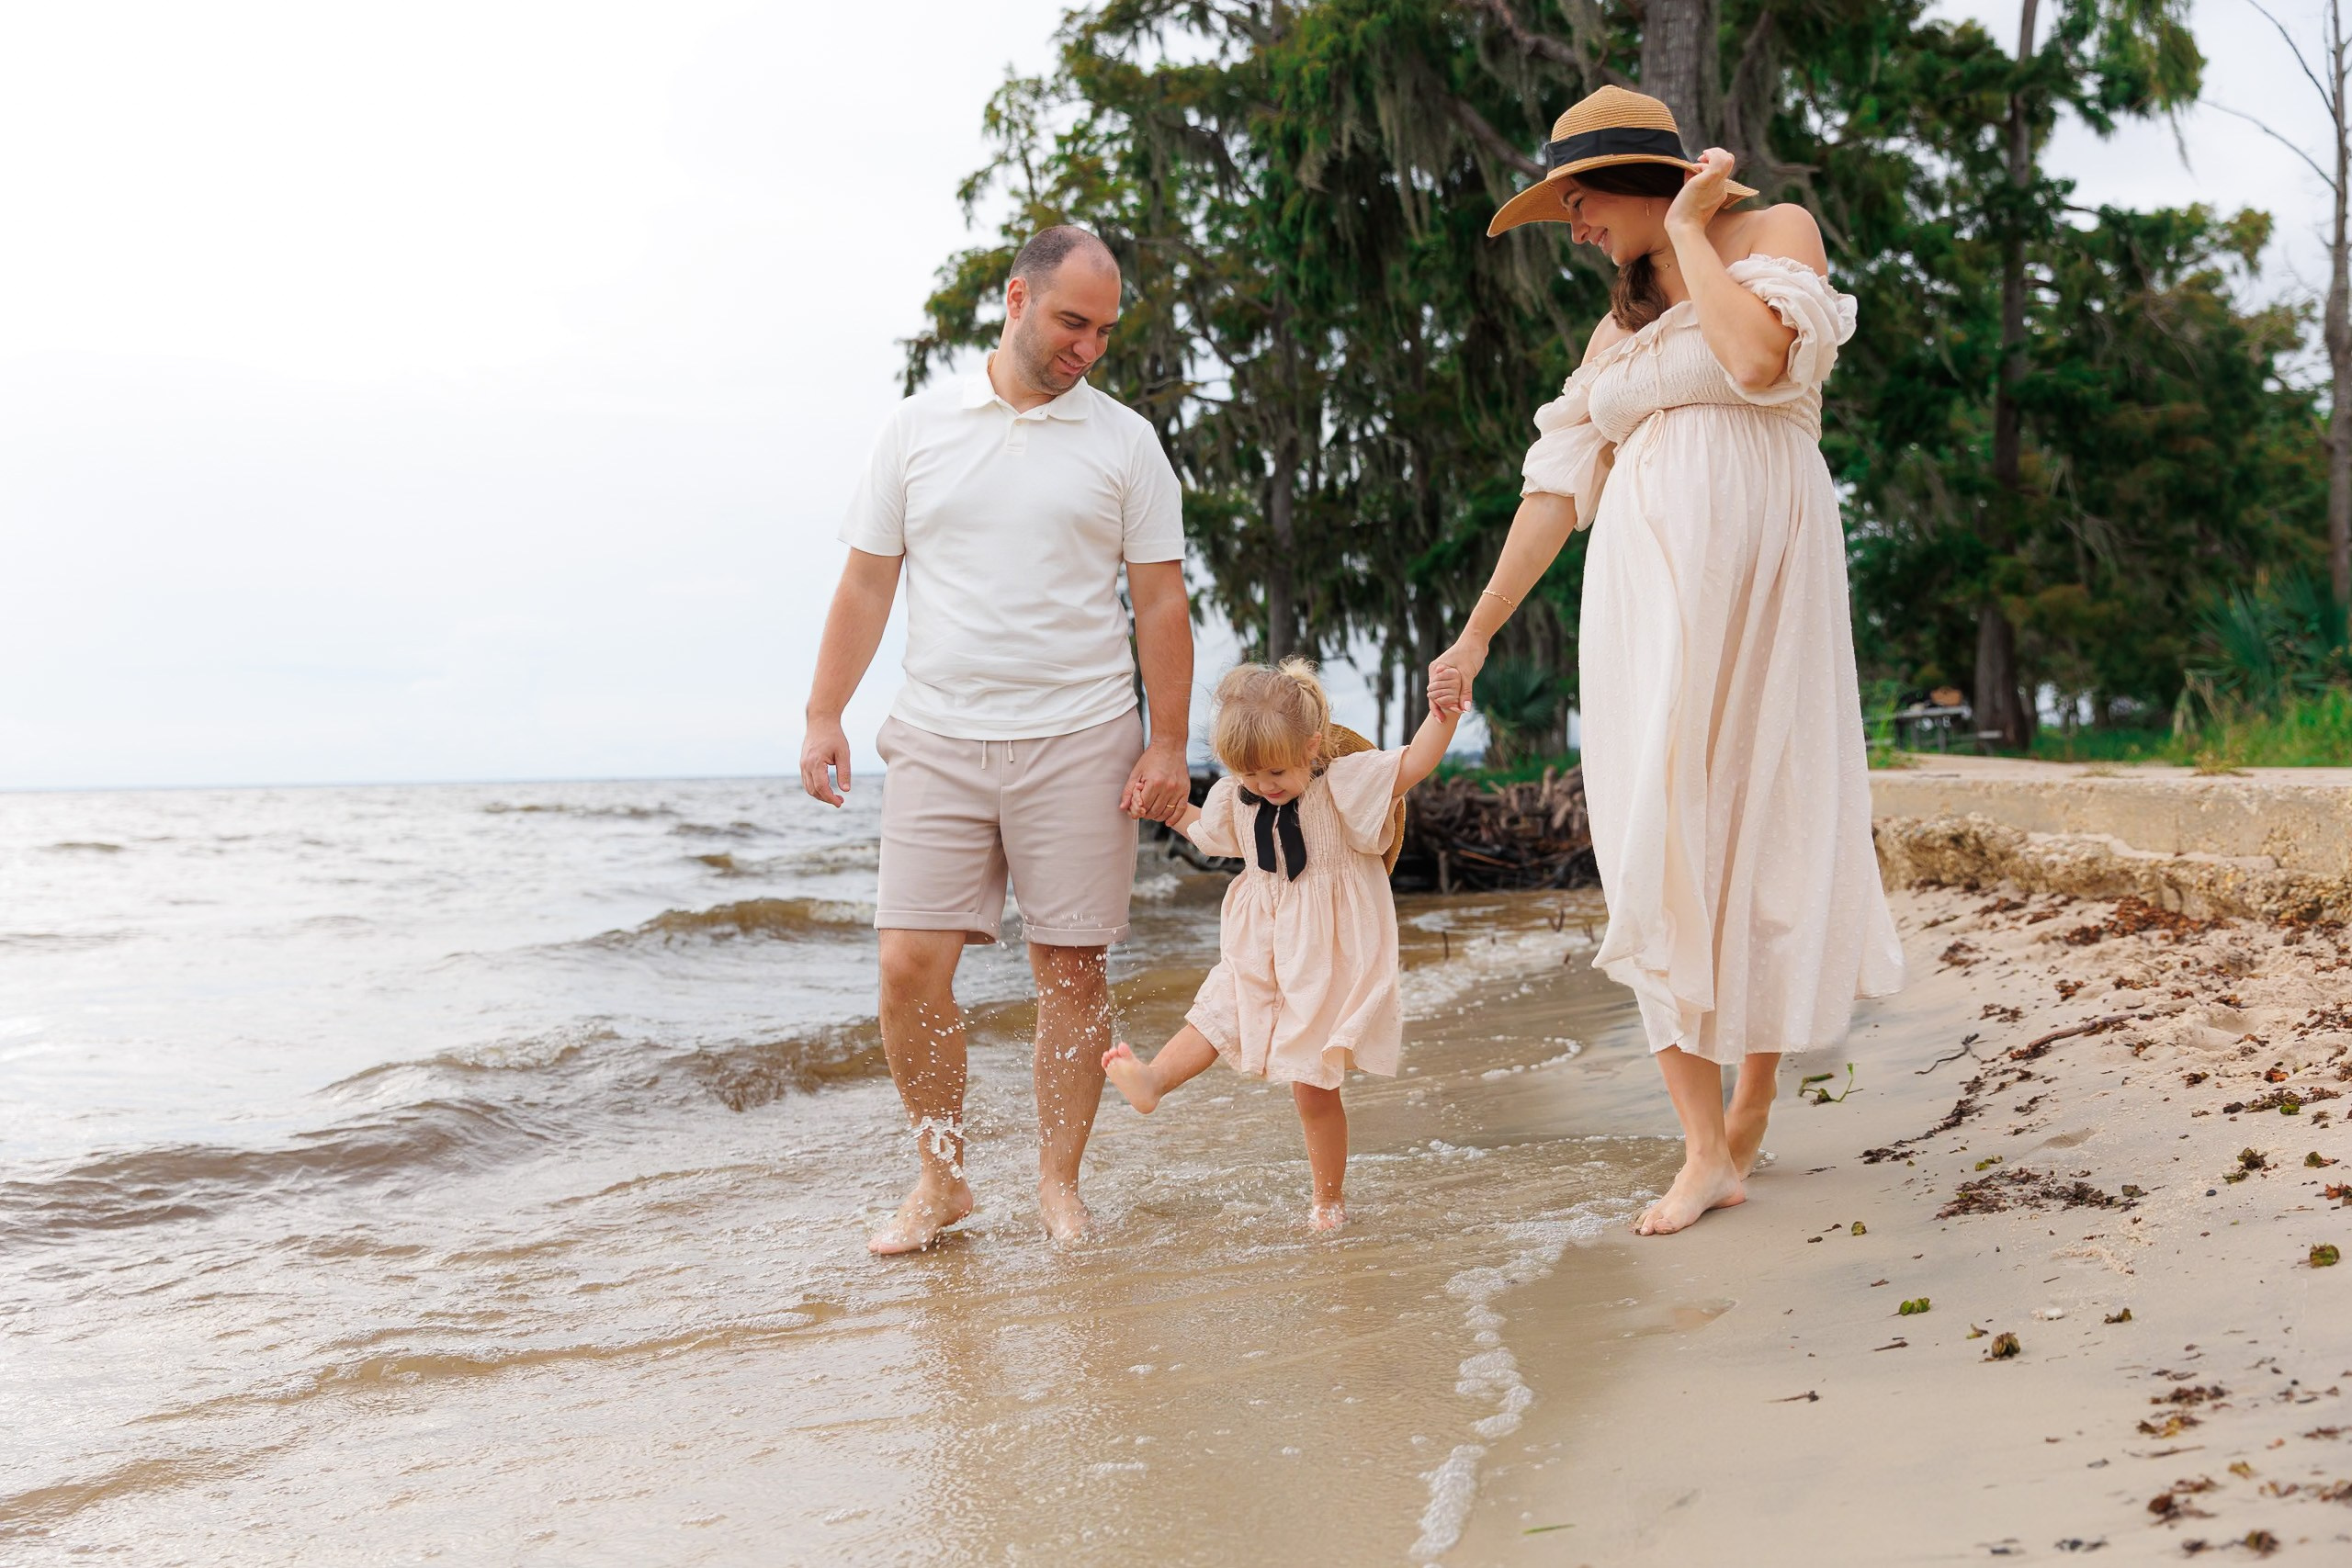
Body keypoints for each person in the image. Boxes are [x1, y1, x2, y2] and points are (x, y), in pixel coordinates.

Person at [1430, 85, 1905, 1236]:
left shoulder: (1771, 235)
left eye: (1579, 201)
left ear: (1647, 182)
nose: (1573, 227)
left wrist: (1692, 234)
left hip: (1768, 575)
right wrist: (1479, 627)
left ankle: (1751, 1095)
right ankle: (1702, 1146)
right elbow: (1553, 490)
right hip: (1646, 599)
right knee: (1656, 831)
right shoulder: (1611, 334)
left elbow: (1753, 364)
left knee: (1762, 810)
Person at [800, 225, 1195, 1255]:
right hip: (937, 734)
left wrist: (1168, 743)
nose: (1089, 349)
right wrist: (822, 713)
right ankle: (941, 1181)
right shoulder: (917, 429)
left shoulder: (1124, 442)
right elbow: (866, 581)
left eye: (1106, 330)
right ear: (1016, 300)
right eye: (1073, 322)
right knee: (906, 966)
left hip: (1082, 735)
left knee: (1071, 972)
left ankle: (1058, 1186)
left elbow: (1160, 602)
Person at [1100, 659, 1463, 1232]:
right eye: (1248, 777)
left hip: (1327, 951)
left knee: (1312, 1084)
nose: (1264, 787)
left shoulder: (1344, 782)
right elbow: (1210, 832)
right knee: (1215, 1013)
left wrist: (1443, 713)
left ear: (1312, 746)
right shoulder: (1238, 795)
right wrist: (1165, 809)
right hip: (1258, 937)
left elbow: (1415, 762)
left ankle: (1328, 1198)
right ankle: (1152, 1082)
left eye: (1275, 773)